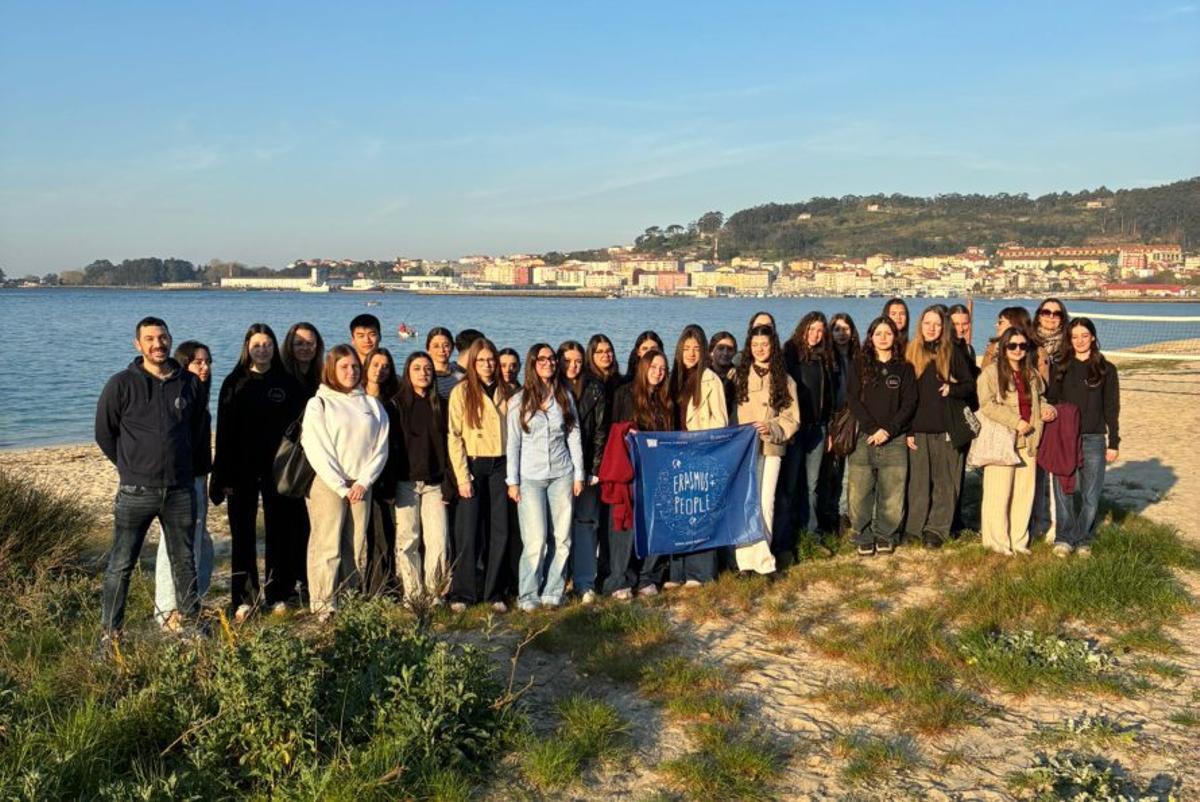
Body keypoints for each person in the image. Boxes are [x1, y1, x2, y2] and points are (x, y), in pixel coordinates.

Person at [95, 317, 206, 646]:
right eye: (150, 339)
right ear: (138, 344)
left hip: (180, 490)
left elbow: (197, 431)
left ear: (171, 339)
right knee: (121, 563)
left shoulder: (189, 384)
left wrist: (185, 466)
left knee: (184, 561)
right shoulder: (121, 384)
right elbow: (105, 433)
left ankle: (191, 625)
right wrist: (130, 467)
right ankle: (110, 634)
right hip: (135, 491)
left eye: (162, 337)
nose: (157, 344)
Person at [211, 323, 307, 621]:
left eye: (267, 344)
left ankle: (279, 592)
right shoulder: (234, 382)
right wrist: (221, 475)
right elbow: (224, 432)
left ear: (274, 347)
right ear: (247, 347)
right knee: (243, 534)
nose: (262, 349)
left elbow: (300, 428)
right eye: (257, 344)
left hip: (278, 469)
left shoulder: (286, 381)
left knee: (280, 532)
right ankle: (244, 598)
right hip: (240, 469)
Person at [300, 345, 390, 619]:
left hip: (361, 484)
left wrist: (364, 481)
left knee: (354, 544)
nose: (350, 372)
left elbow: (381, 446)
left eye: (354, 367)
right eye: (344, 367)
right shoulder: (320, 403)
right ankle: (324, 603)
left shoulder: (372, 404)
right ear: (331, 369)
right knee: (327, 544)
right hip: (328, 484)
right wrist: (340, 485)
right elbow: (316, 447)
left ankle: (349, 596)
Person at [506, 344, 585, 612]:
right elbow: (513, 444)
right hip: (530, 477)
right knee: (536, 540)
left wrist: (579, 474)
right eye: (543, 359)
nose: (549, 363)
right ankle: (527, 594)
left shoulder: (564, 396)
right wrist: (512, 481)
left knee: (562, 538)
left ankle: (553, 591)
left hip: (562, 474)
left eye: (552, 359)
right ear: (533, 363)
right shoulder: (519, 400)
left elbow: (573, 436)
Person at [978, 327, 1057, 556]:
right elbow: (987, 405)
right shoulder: (991, 374)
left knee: (1024, 493)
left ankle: (1019, 541)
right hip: (1002, 440)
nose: (1018, 350)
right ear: (1004, 348)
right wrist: (1015, 422)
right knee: (998, 494)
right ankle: (997, 543)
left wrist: (1047, 410)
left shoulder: (1031, 374)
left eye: (1022, 346)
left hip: (1028, 440)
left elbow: (1039, 399)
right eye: (1012, 345)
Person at [153, 340, 215, 631]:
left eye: (207, 361)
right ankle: (168, 611)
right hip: (182, 480)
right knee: (175, 545)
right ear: (184, 364)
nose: (204, 367)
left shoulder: (198, 393)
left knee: (201, 542)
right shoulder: (179, 394)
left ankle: (191, 602)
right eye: (197, 362)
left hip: (199, 477)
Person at [903, 306, 977, 549]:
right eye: (927, 323)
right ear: (920, 325)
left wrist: (951, 389)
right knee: (918, 483)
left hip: (946, 427)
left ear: (943, 327)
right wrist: (908, 430)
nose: (931, 328)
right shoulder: (911, 352)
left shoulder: (952, 352)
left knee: (946, 482)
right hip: (919, 429)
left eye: (936, 324)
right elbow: (905, 396)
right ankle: (914, 528)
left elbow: (969, 386)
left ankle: (936, 530)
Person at [447, 339, 512, 613]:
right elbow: (454, 436)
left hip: (502, 465)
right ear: (473, 363)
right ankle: (463, 592)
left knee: (500, 530)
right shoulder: (462, 392)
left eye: (491, 360)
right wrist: (462, 477)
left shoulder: (508, 392)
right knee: (469, 531)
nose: (487, 364)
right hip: (473, 464)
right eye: (482, 360)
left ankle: (493, 590)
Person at [1046, 317, 1120, 558]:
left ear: (1093, 338)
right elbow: (1052, 400)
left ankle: (1083, 538)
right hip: (1065, 437)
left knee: (1090, 493)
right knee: (1063, 490)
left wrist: (1114, 442)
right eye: (1074, 336)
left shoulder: (1107, 369)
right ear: (1069, 339)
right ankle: (1064, 538)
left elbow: (1111, 407)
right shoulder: (1059, 366)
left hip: (1094, 438)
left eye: (1084, 336)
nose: (1079, 341)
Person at [845, 318, 917, 557]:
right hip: (864, 436)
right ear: (871, 336)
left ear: (895, 337)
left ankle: (885, 533)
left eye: (888, 333)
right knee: (859, 490)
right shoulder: (859, 365)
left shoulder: (904, 368)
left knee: (892, 491)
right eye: (878, 333)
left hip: (895, 438)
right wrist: (872, 427)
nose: (883, 337)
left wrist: (889, 429)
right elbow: (853, 399)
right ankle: (863, 533)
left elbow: (909, 402)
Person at [606, 349, 675, 598]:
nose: (658, 372)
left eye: (662, 368)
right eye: (654, 367)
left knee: (654, 523)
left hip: (657, 470)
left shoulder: (666, 400)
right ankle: (620, 578)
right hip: (630, 471)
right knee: (624, 525)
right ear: (643, 366)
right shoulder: (624, 394)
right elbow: (614, 430)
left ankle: (648, 576)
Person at [732, 324, 799, 574]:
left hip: (770, 446)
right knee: (744, 501)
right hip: (742, 448)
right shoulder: (738, 376)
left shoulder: (784, 379)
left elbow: (792, 418)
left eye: (765, 344)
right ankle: (744, 560)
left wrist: (771, 427)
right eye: (755, 344)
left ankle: (763, 559)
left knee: (765, 501)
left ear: (773, 347)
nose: (760, 349)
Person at [391, 351, 455, 602]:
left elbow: (452, 445)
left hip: (435, 484)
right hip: (405, 483)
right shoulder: (396, 405)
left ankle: (435, 592)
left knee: (438, 540)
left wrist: (450, 480)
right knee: (408, 540)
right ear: (408, 371)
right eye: (417, 368)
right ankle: (413, 593)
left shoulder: (442, 404)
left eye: (427, 368)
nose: (423, 373)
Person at [667, 325, 727, 586]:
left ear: (704, 352)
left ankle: (700, 572)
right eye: (687, 347)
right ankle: (677, 572)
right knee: (679, 511)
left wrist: (704, 446)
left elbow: (721, 421)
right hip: (674, 453)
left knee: (700, 511)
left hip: (699, 452)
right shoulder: (674, 377)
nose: (691, 353)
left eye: (696, 348)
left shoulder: (710, 380)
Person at [778, 312, 834, 559]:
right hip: (794, 430)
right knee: (789, 485)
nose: (815, 335)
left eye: (820, 331)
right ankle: (785, 538)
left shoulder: (825, 358)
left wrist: (829, 427)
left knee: (812, 486)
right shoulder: (789, 354)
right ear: (803, 329)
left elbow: (829, 396)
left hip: (817, 428)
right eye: (812, 329)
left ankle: (811, 534)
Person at [559, 340, 609, 604]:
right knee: (558, 528)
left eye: (578, 360)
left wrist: (594, 468)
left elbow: (601, 432)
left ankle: (584, 581)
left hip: (588, 467)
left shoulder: (595, 389)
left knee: (586, 524)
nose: (573, 365)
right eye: (567, 360)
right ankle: (557, 581)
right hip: (556, 469)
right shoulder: (550, 388)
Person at [363, 347, 401, 595]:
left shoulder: (393, 400)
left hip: (386, 474)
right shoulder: (353, 397)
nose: (380, 370)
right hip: (356, 474)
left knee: (384, 533)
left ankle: (382, 586)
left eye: (385, 366)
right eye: (375, 364)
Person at [1031, 298, 1070, 540]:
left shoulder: (1068, 346)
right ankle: (1035, 521)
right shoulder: (1028, 344)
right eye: (1046, 311)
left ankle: (1057, 523)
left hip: (1061, 412)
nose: (1051, 316)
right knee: (1035, 472)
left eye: (1056, 313)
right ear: (1038, 315)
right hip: (1036, 412)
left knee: (1057, 472)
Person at [821, 313, 860, 530]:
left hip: (854, 420)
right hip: (834, 421)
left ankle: (849, 517)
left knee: (851, 472)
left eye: (846, 329)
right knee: (831, 473)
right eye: (837, 329)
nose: (842, 334)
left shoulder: (858, 358)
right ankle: (830, 517)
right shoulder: (827, 359)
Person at [947, 303, 980, 535]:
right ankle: (950, 522)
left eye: (964, 323)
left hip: (965, 416)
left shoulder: (967, 349)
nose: (960, 328)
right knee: (949, 472)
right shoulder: (947, 350)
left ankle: (955, 519)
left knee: (957, 471)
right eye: (956, 323)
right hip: (951, 418)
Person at [281, 322, 325, 396]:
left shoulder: (325, 376)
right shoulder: (279, 375)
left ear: (318, 346)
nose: (305, 348)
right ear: (289, 346)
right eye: (299, 343)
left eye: (310, 343)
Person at [427, 327, 466, 401]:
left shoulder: (461, 373)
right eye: (436, 346)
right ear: (428, 350)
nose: (441, 350)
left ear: (452, 347)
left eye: (446, 345)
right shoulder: (426, 376)